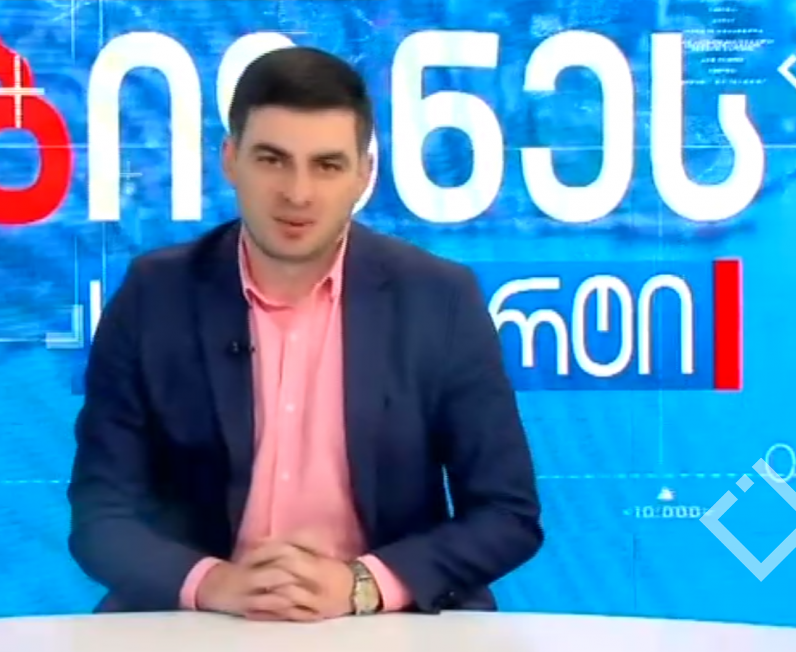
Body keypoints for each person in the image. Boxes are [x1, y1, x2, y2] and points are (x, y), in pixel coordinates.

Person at [67, 46, 543, 621]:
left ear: (363, 175)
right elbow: (100, 516)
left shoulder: (439, 299)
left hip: (384, 621)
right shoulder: (154, 295)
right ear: (230, 159)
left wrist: (362, 584)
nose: (297, 193)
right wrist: (214, 583)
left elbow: (506, 513)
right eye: (272, 160)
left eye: (327, 165)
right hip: (203, 621)